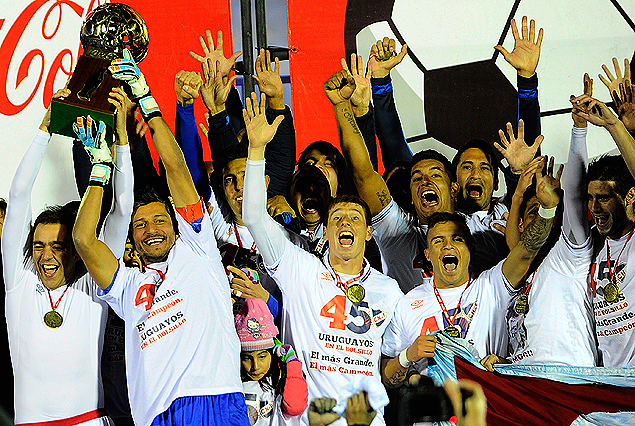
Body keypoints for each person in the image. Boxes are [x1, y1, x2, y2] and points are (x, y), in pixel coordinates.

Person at [72, 49, 248, 425]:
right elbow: (84, 241)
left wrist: (147, 98)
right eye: (140, 225)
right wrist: (100, 168)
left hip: (214, 398)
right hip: (157, 416)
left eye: (159, 220)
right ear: (132, 237)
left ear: (176, 223)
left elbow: (176, 166)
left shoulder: (198, 247)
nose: (151, 229)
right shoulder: (125, 284)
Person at [242, 92, 402, 425]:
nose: (346, 224)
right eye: (337, 218)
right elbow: (254, 217)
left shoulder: (389, 291)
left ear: (369, 233)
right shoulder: (300, 269)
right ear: (325, 232)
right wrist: (256, 151)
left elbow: (394, 360)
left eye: (355, 218)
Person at [1, 87, 135, 425]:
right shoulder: (19, 280)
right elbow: (18, 196)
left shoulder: (92, 284)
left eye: (57, 246)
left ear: (74, 251)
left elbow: (122, 212)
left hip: (91, 419)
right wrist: (44, 130)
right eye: (38, 246)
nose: (45, 256)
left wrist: (121, 142)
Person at [380, 155, 559, 388]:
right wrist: (407, 356)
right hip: (433, 409)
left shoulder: (492, 286)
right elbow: (387, 378)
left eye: (457, 239)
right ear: (427, 255)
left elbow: (526, 251)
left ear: (470, 249)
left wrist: (547, 208)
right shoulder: (407, 304)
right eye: (438, 241)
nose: (448, 246)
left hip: (485, 406)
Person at [481, 74, 597, 368]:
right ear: (518, 224)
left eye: (544, 209)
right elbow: (518, 247)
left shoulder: (568, 256)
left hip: (568, 382)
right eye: (530, 212)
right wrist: (505, 361)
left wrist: (579, 128)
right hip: (528, 385)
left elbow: (575, 195)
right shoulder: (512, 282)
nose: (539, 214)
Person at [571, 92, 635, 367]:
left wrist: (614, 125)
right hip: (608, 381)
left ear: (629, 197)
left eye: (604, 198)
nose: (594, 208)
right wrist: (578, 128)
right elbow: (571, 195)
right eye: (591, 198)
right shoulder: (594, 245)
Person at [235, 298, 308, 425]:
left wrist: (291, 362)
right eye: (247, 358)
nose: (255, 366)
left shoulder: (279, 380)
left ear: (273, 353)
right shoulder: (233, 381)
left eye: (262, 357)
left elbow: (294, 408)